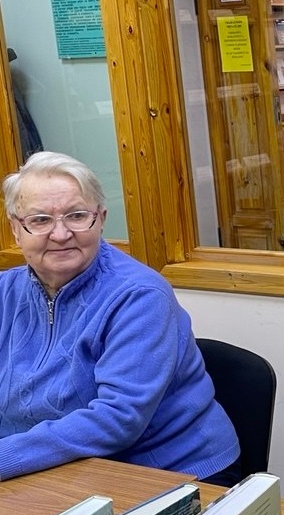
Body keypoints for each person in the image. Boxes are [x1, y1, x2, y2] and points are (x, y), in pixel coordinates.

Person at [0, 151, 241, 484]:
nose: (60, 234)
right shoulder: (5, 290)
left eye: (77, 216)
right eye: (40, 220)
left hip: (166, 471)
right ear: (16, 229)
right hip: (56, 468)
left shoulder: (139, 295)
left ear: (100, 219)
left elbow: (118, 418)